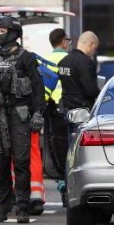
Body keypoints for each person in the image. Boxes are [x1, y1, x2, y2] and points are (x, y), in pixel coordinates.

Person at [0, 16, 45, 223]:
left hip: (20, 114)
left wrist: (38, 113)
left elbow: (38, 89)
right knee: (1, 162)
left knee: (22, 162)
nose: (0, 34)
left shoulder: (27, 58)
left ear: (14, 33)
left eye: (4, 30)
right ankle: (2, 206)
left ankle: (23, 207)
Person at [43, 28, 71, 206]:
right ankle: (67, 182)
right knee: (69, 146)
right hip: (66, 107)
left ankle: (61, 181)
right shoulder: (68, 60)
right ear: (63, 42)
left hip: (50, 109)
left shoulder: (45, 60)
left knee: (54, 146)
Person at [57, 30, 101, 145]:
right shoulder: (85, 62)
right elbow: (90, 90)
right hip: (82, 113)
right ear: (91, 44)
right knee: (80, 147)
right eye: (94, 48)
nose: (93, 52)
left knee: (70, 146)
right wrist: (101, 93)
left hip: (67, 110)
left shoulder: (63, 61)